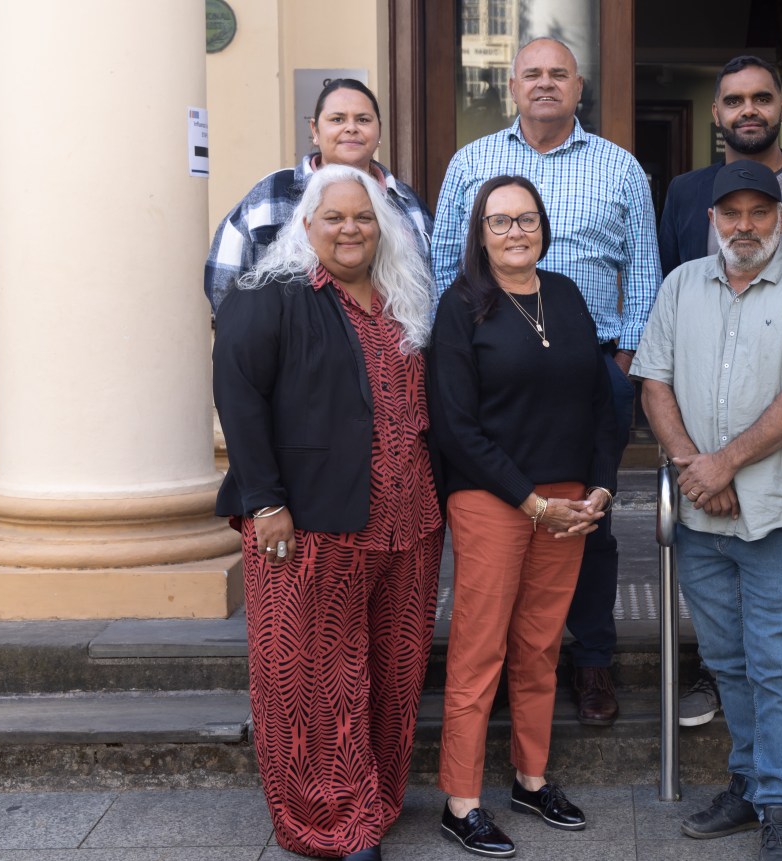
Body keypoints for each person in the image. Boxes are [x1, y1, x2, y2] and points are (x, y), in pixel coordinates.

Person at [213, 164, 440, 861]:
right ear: (306, 224)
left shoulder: (402, 297)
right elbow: (239, 397)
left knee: (393, 669)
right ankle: (334, 824)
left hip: (409, 522)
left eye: (363, 218)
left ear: (383, 227)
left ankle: (371, 798)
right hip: (308, 521)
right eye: (335, 217)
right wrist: (266, 501)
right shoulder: (269, 295)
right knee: (312, 677)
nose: (350, 229)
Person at [430, 36, 660, 726]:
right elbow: (447, 260)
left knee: (590, 522)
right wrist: (457, 354)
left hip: (591, 372)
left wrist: (621, 368)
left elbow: (645, 271)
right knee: (495, 520)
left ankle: (591, 659)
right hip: (491, 373)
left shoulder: (620, 168)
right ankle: (502, 665)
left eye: (558, 74)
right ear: (512, 86)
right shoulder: (472, 163)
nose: (545, 84)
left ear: (579, 86)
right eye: (532, 74)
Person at [632, 161, 782, 861]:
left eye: (760, 212)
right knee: (729, 661)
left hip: (779, 514)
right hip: (702, 515)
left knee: (777, 663)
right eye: (732, 213)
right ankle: (750, 782)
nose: (745, 226)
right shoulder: (679, 288)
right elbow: (654, 385)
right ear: (711, 220)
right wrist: (694, 467)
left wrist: (723, 463)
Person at [657, 54, 782, 732]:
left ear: (781, 107)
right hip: (705, 412)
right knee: (711, 557)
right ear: (716, 113)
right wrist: (695, 458)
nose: (748, 109)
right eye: (734, 99)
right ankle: (719, 674)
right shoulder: (685, 192)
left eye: (761, 97)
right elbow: (672, 302)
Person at [428, 175, 618, 859]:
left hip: (567, 501)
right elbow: (455, 426)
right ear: (479, 232)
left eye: (527, 219)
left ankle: (531, 779)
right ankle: (462, 801)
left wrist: (599, 488)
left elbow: (601, 402)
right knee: (482, 650)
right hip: (492, 498)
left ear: (544, 226)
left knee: (540, 646)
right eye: (500, 221)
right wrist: (530, 500)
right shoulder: (460, 308)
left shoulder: (564, 296)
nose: (516, 232)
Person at [205, 78, 432, 312]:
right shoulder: (272, 194)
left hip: (392, 345)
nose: (351, 128)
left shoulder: (406, 203)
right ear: (315, 130)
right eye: (337, 119)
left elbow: (429, 287)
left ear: (379, 130)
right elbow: (223, 284)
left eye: (363, 120)